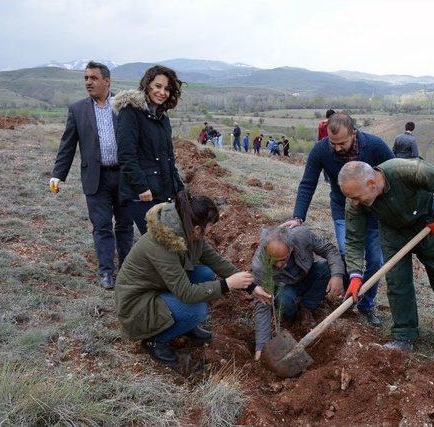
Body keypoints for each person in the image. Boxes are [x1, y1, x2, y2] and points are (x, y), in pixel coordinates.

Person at [115, 192, 271, 366]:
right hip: (137, 305)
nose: (212, 229)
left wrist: (252, 287)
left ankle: (184, 325)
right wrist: (227, 284)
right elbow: (186, 294)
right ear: (198, 228)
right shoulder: (162, 244)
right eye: (211, 225)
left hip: (158, 287)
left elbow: (216, 261)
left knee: (205, 273)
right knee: (197, 311)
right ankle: (155, 341)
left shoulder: (189, 231)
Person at [338, 160, 434, 361]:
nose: (355, 202)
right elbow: (354, 238)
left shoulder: (407, 171)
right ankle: (404, 335)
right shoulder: (354, 198)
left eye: (357, 197)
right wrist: (356, 274)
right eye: (351, 198)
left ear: (372, 184)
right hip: (392, 234)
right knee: (397, 282)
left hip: (428, 226)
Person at [281, 113, 394, 326]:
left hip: (374, 211)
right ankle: (344, 295)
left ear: (354, 133)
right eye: (333, 143)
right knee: (346, 253)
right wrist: (298, 216)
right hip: (343, 210)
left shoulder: (375, 145)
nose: (337, 148)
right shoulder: (321, 150)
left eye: (342, 143)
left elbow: (394, 174)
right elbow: (308, 183)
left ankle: (366, 304)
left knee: (376, 261)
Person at [50, 61, 133, 290]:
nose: (88, 82)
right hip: (95, 178)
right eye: (86, 78)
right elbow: (67, 145)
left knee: (125, 225)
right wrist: (58, 174)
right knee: (102, 226)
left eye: (93, 78)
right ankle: (106, 272)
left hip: (125, 177)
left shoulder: (125, 106)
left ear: (107, 81)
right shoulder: (78, 109)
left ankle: (126, 270)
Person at [252, 226, 344, 360]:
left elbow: (329, 249)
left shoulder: (302, 236)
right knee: (285, 300)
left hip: (306, 275)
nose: (278, 265)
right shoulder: (260, 266)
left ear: (291, 248)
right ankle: (289, 318)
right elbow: (263, 302)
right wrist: (262, 346)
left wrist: (337, 275)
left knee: (325, 268)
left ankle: (306, 308)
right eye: (273, 259)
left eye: (283, 259)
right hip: (285, 288)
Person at [113, 65, 185, 235]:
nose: (162, 92)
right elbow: (126, 155)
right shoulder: (130, 112)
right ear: (147, 85)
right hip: (142, 194)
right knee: (156, 244)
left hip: (161, 190)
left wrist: (179, 188)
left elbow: (168, 158)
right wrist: (141, 187)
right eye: (158, 86)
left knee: (168, 241)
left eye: (167, 89)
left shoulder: (162, 119)